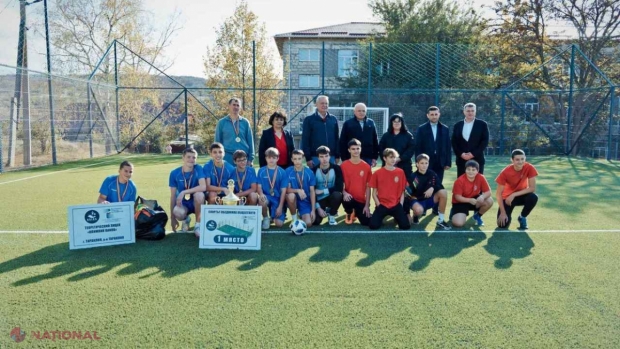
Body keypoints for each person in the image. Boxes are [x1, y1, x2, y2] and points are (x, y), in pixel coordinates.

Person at [496, 149, 539, 230]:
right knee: (502, 225)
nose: (520, 162)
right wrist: (503, 212)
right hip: (507, 199)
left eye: (522, 159)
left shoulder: (529, 167)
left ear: (525, 158)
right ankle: (508, 216)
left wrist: (514, 194)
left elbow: (532, 188)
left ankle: (522, 217)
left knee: (533, 197)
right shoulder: (505, 172)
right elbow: (498, 194)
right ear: (512, 160)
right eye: (517, 159)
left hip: (520, 196)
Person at [405, 154, 450, 230]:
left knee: (443, 192)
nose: (424, 165)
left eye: (426, 163)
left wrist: (432, 187)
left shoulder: (432, 174)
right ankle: (415, 215)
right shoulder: (413, 176)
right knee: (419, 210)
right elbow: (407, 194)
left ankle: (441, 220)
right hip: (417, 201)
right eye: (422, 163)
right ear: (417, 164)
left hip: (429, 200)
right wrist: (407, 213)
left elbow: (440, 186)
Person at [369, 148, 410, 230]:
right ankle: (381, 217)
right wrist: (379, 205)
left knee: (405, 226)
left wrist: (401, 205)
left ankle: (397, 217)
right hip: (382, 205)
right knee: (373, 226)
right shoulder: (377, 173)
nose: (393, 159)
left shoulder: (400, 172)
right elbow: (374, 193)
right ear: (384, 158)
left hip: (396, 204)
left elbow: (402, 190)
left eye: (394, 157)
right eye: (391, 157)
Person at [168, 147, 206, 237]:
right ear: (183, 158)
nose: (191, 159)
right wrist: (172, 218)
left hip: (196, 202)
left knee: (199, 195)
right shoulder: (174, 173)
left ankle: (198, 225)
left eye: (194, 157)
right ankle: (186, 219)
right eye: (188, 157)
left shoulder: (198, 168)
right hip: (183, 204)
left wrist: (183, 192)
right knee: (177, 212)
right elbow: (173, 196)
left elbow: (203, 186)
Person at [450, 160, 493, 228]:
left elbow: (488, 192)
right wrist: (469, 200)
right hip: (460, 202)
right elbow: (457, 197)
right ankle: (454, 212)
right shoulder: (459, 180)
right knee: (458, 224)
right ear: (465, 170)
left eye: (473, 170)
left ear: (477, 171)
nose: (471, 172)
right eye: (468, 169)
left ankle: (477, 216)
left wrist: (482, 196)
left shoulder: (481, 177)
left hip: (474, 199)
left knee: (489, 200)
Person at [451, 102, 489, 177]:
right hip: (461, 161)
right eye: (468, 111)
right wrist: (461, 154)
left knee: (478, 185)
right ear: (464, 112)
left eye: (472, 110)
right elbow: (454, 142)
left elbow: (484, 141)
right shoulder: (457, 125)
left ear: (475, 111)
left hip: (477, 159)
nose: (470, 113)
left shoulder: (482, 124)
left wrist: (472, 154)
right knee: (461, 185)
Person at [301, 95, 340, 167]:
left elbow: (337, 138)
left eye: (326, 103)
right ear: (316, 104)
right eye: (322, 103)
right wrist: (308, 158)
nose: (324, 105)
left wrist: (337, 155)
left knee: (331, 177)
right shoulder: (309, 120)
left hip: (331, 157)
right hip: (315, 157)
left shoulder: (333, 119)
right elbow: (305, 140)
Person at [340, 139, 372, 226]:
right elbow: (340, 184)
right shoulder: (343, 165)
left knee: (367, 222)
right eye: (353, 149)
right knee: (346, 198)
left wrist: (366, 205)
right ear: (349, 150)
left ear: (360, 149)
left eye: (357, 148)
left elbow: (368, 187)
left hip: (361, 200)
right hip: (348, 198)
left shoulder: (366, 167)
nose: (356, 151)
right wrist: (344, 193)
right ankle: (349, 212)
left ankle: (356, 212)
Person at [215, 97, 255, 164]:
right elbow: (217, 142)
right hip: (227, 158)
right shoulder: (222, 122)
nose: (235, 107)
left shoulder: (245, 122)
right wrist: (218, 158)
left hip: (243, 157)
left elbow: (250, 141)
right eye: (234, 105)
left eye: (238, 105)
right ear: (229, 106)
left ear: (240, 108)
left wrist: (250, 159)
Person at [257, 147, 289, 229]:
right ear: (266, 158)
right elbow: (259, 187)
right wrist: (261, 194)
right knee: (261, 199)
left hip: (277, 199)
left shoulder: (282, 172)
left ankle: (275, 215)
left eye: (274, 158)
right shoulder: (261, 171)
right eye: (269, 157)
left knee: (279, 224)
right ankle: (265, 218)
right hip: (267, 197)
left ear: (277, 158)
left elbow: (283, 191)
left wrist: (280, 206)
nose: (271, 160)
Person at [312, 146, 343, 226]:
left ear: (330, 156)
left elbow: (339, 187)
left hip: (331, 197)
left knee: (337, 195)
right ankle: (321, 210)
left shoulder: (336, 168)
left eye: (326, 156)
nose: (324, 159)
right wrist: (318, 208)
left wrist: (323, 191)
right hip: (319, 199)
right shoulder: (313, 170)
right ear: (318, 158)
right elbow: (312, 191)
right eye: (321, 157)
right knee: (316, 222)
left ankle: (332, 215)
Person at [379, 113, 416, 179]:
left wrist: (400, 158)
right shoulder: (386, 136)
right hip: (388, 165)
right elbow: (381, 148)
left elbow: (411, 149)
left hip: (404, 165)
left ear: (402, 123)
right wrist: (388, 159)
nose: (397, 123)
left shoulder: (408, 136)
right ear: (391, 123)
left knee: (406, 186)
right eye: (394, 121)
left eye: (399, 121)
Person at [285, 149, 317, 227]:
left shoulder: (309, 172)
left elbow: (312, 191)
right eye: (295, 159)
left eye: (299, 158)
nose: (297, 161)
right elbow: (286, 190)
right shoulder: (288, 171)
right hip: (292, 199)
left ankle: (301, 213)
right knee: (291, 195)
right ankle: (294, 218)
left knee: (308, 223)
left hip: (305, 201)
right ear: (292, 160)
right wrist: (298, 190)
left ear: (303, 158)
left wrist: (313, 210)